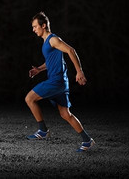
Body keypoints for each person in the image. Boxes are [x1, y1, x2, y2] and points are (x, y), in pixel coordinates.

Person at [25, 12, 95, 152]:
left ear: (43, 25)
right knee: (65, 114)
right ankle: (87, 140)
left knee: (29, 98)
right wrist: (39, 69)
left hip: (56, 81)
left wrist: (79, 71)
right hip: (60, 83)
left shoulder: (53, 39)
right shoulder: (47, 42)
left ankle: (43, 131)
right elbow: (51, 61)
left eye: (35, 26)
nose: (33, 30)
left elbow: (70, 50)